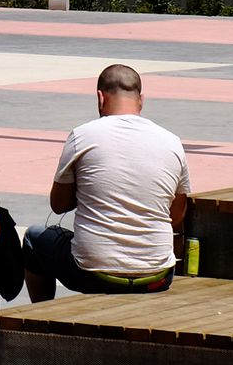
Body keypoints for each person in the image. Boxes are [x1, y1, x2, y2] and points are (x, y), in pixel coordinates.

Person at [21, 64, 190, 301]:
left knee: (34, 238)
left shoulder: (82, 136)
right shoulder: (172, 142)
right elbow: (176, 215)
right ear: (141, 99)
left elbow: (58, 205)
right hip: (158, 275)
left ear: (100, 97)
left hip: (92, 274)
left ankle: (39, 322)